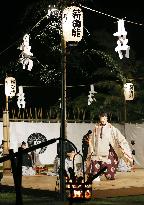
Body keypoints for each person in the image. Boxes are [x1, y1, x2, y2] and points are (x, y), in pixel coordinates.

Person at [88, 112, 133, 180]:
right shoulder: (96, 128)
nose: (102, 120)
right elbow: (92, 140)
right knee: (95, 176)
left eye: (104, 119)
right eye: (101, 119)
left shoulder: (111, 128)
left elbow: (120, 138)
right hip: (96, 153)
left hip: (107, 152)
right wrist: (91, 150)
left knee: (110, 173)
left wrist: (122, 144)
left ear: (106, 118)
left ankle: (109, 175)